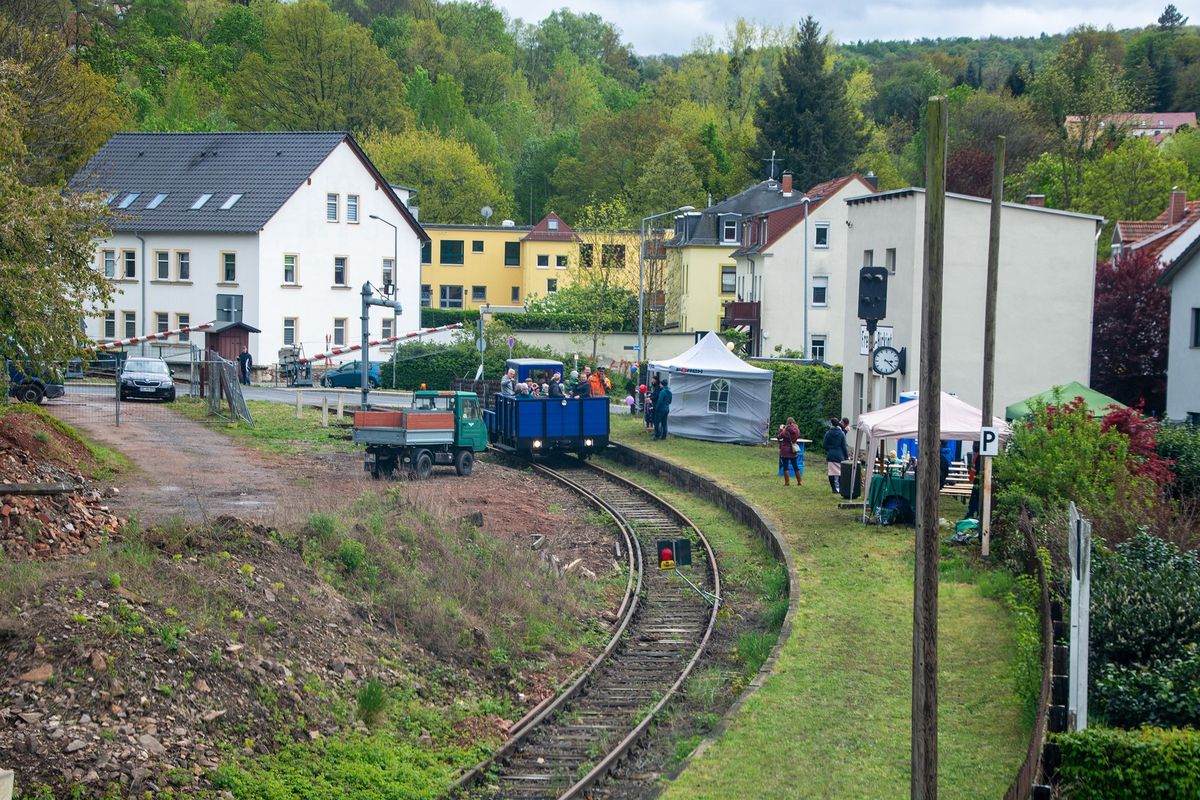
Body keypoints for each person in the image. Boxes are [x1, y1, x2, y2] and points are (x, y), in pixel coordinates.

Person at [822, 417, 848, 494]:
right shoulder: (841, 433)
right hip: (840, 455)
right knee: (840, 472)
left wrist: (830, 449)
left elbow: (824, 445)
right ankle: (839, 488)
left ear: (831, 424)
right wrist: (846, 456)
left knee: (831, 472)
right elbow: (844, 446)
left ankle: (833, 489)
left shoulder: (827, 433)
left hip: (831, 455)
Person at [777, 417, 802, 486]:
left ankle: (787, 482)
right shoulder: (797, 429)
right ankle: (799, 482)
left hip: (785, 450)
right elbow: (798, 436)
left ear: (787, 423)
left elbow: (779, 437)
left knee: (785, 466)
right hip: (793, 450)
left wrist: (781, 429)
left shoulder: (785, 430)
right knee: (795, 466)